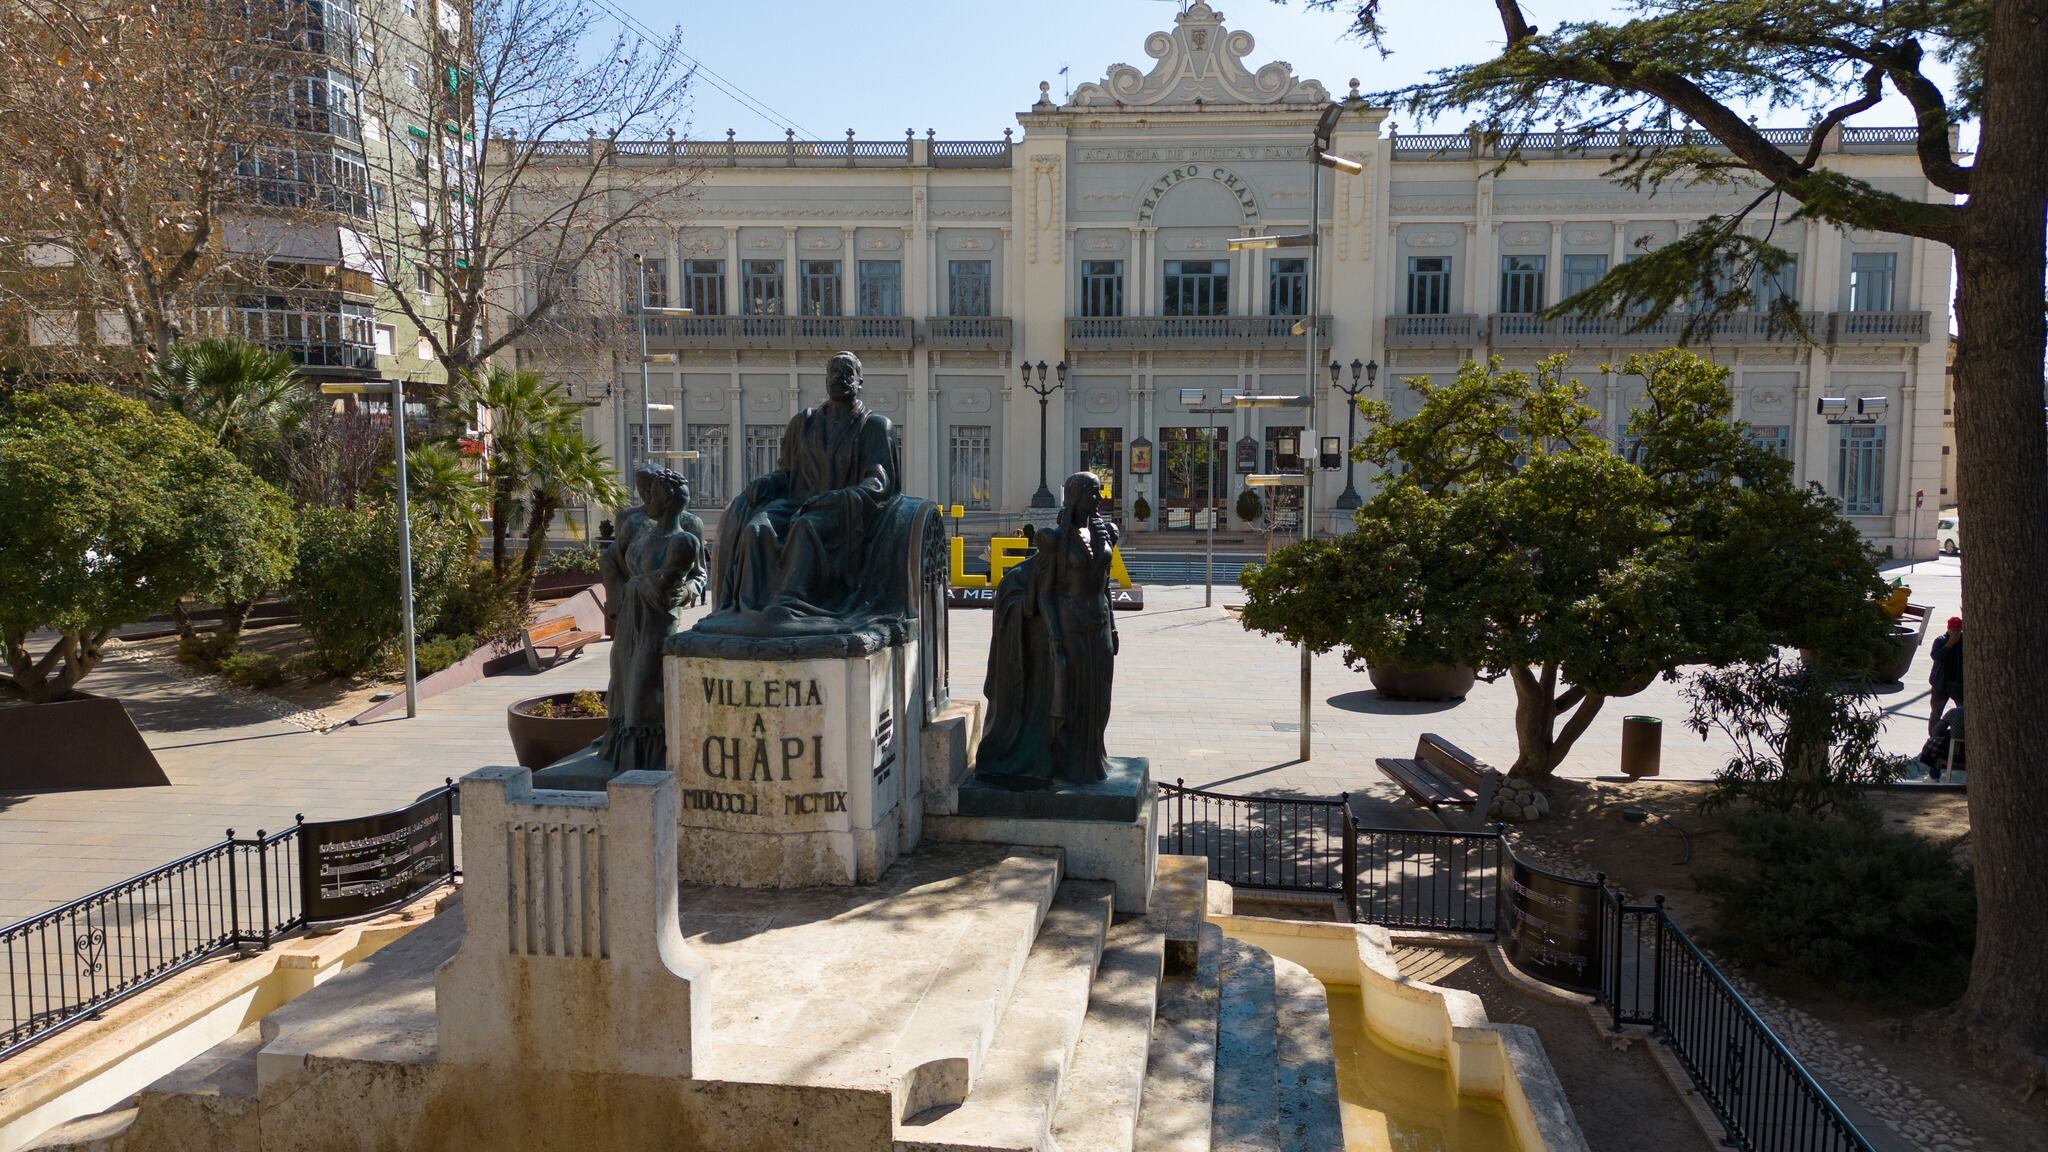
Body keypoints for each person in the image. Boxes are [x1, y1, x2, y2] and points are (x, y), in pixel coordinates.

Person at [698, 351, 918, 637]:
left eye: (847, 372)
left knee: (806, 527)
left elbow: (879, 483)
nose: (840, 377)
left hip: (844, 513)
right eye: (834, 372)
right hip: (797, 502)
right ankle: (749, 610)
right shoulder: (804, 424)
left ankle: (789, 605)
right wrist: (765, 483)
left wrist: (841, 499)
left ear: (860, 381)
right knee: (756, 528)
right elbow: (786, 473)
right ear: (825, 380)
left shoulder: (875, 426)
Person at [975, 472, 1121, 787]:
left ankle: (1092, 760)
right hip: (1069, 626)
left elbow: (1105, 584)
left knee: (1099, 697)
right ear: (1075, 496)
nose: (1097, 498)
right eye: (1091, 493)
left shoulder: (1107, 532)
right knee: (1072, 698)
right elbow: (1045, 592)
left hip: (1099, 624)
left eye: (1099, 493)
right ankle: (1068, 765)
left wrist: (1114, 628)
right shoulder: (1054, 540)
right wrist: (1054, 636)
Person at [597, 467, 705, 771]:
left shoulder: (688, 529)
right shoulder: (632, 523)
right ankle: (619, 743)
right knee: (621, 676)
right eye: (644, 489)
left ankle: (648, 753)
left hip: (658, 615)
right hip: (631, 615)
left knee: (648, 683)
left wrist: (686, 591)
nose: (646, 496)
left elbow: (698, 573)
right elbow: (613, 560)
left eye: (652, 490)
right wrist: (617, 599)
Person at [1927, 616, 1962, 733]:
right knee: (1936, 712)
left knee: (1963, 710)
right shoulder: (1941, 640)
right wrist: (1949, 644)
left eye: (1958, 630)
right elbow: (1936, 657)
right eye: (1954, 630)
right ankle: (1933, 737)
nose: (1956, 633)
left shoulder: (1963, 641)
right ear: (1948, 629)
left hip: (1958, 684)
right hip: (1941, 684)